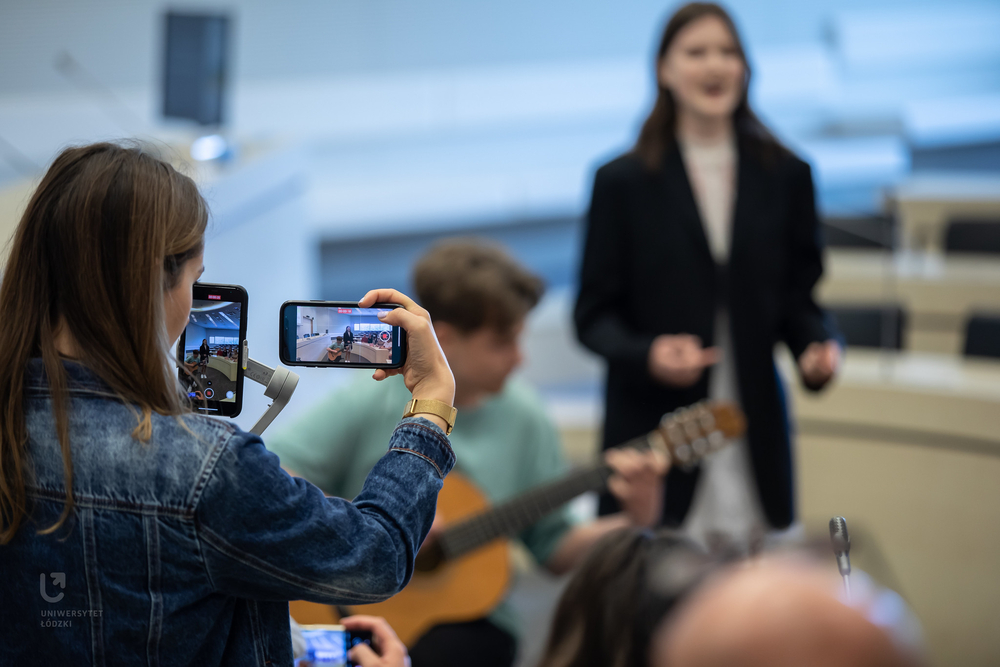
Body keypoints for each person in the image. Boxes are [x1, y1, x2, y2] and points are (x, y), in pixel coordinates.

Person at [0, 143, 457, 666]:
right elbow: (376, 557)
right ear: (152, 283)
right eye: (194, 282)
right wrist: (431, 404)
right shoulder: (206, 469)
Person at [267, 240, 668, 667]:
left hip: (476, 622)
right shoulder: (371, 399)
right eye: (502, 343)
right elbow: (274, 476)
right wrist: (380, 522)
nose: (520, 359)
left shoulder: (525, 417)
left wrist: (634, 521)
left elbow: (554, 549)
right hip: (358, 610)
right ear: (446, 338)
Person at [574, 2, 841, 553]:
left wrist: (816, 347)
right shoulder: (621, 181)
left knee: (750, 600)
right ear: (664, 70)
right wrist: (649, 353)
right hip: (654, 423)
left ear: (746, 68)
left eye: (728, 52)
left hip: (751, 419)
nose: (715, 66)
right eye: (696, 53)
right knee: (653, 597)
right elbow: (592, 317)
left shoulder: (788, 174)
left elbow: (798, 298)